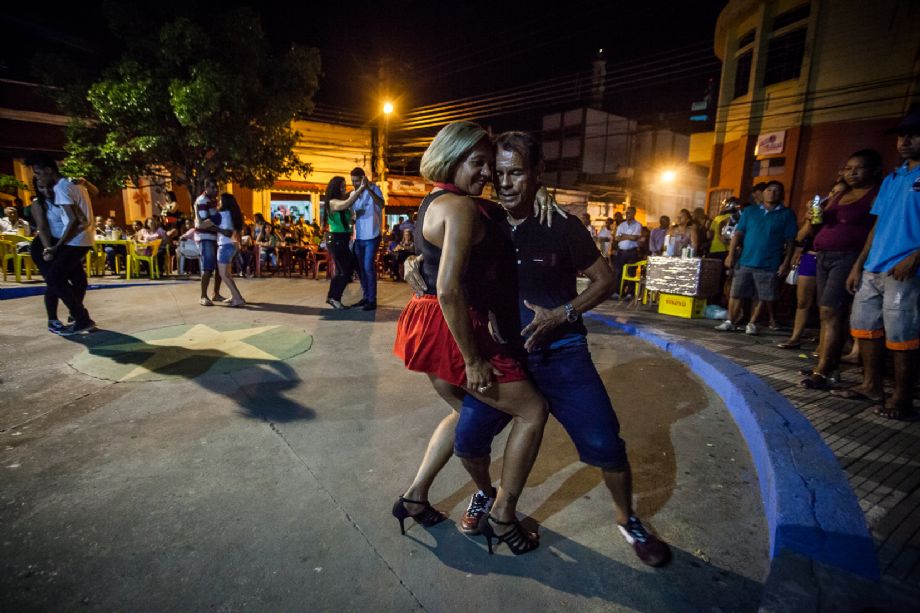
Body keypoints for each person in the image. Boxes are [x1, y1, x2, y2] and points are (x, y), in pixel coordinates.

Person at [434, 130, 671, 566]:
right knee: (468, 440)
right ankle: (487, 496)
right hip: (505, 357)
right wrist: (416, 263)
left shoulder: (562, 225)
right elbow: (438, 243)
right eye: (499, 174)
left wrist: (564, 313)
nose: (504, 183)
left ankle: (628, 519)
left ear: (537, 175)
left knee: (605, 443)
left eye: (516, 174)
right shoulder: (483, 219)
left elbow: (605, 279)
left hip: (562, 354)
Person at [392, 121, 548, 556]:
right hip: (452, 328)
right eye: (477, 163)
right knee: (533, 411)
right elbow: (447, 288)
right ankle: (501, 516)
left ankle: (415, 496)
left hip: (426, 325)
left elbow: (432, 257)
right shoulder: (460, 208)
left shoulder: (436, 200)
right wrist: (473, 358)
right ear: (452, 159)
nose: (488, 174)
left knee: (466, 414)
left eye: (490, 165)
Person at [840, 113, 920, 419]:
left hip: (905, 270)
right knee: (865, 329)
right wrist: (859, 264)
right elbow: (878, 225)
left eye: (913, 135)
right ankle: (871, 385)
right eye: (901, 136)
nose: (905, 141)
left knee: (902, 334)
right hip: (873, 267)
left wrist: (914, 257)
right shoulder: (893, 178)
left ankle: (902, 398)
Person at [793, 152, 883, 390]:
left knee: (830, 311)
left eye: (859, 168)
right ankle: (827, 364)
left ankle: (823, 369)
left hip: (848, 256)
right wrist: (813, 217)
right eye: (848, 167)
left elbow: (875, 231)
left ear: (873, 170)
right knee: (828, 313)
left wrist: (858, 264)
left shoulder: (875, 195)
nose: (852, 172)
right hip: (823, 255)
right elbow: (814, 228)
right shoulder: (839, 195)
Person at [27, 155, 96, 335]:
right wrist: (49, 249)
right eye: (40, 185)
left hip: (64, 243)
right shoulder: (39, 203)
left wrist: (85, 183)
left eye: (40, 175)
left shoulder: (62, 191)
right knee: (54, 280)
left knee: (79, 280)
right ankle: (55, 319)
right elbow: (42, 228)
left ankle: (77, 315)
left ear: (50, 172)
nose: (44, 186)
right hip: (46, 244)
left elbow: (77, 218)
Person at [716, 181, 797, 335]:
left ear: (781, 194)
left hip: (769, 263)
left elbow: (790, 241)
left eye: (776, 191)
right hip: (746, 259)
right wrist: (731, 254)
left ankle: (752, 323)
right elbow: (738, 234)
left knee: (761, 295)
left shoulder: (787, 214)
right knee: (736, 292)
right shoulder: (750, 211)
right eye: (769, 190)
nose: (772, 193)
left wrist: (785, 263)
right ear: (763, 192)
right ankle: (730, 321)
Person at [778, 181, 850, 352]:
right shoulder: (821, 210)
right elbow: (801, 236)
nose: (834, 196)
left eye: (839, 193)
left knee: (826, 305)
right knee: (803, 301)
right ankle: (795, 337)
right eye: (832, 191)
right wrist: (811, 220)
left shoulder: (845, 214)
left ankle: (823, 346)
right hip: (811, 257)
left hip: (835, 260)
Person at [348, 167, 385, 310]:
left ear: (363, 178)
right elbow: (351, 217)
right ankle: (365, 297)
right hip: (359, 237)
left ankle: (372, 300)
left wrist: (368, 188)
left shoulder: (375, 189)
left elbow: (381, 205)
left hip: (372, 235)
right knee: (360, 268)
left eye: (357, 181)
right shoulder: (353, 193)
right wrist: (354, 215)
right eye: (353, 181)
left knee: (368, 266)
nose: (355, 184)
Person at [322, 176, 362, 310]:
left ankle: (333, 297)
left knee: (343, 270)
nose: (343, 188)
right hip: (335, 239)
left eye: (344, 186)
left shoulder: (339, 201)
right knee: (345, 270)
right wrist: (360, 188)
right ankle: (334, 298)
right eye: (341, 186)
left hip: (342, 239)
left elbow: (349, 215)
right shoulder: (333, 202)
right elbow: (347, 203)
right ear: (335, 188)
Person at [193, 178, 224, 306]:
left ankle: (215, 294)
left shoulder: (213, 201)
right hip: (205, 237)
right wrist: (222, 230)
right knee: (208, 267)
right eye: (212, 187)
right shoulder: (202, 201)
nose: (215, 190)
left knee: (219, 267)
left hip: (214, 237)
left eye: (216, 187)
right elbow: (204, 224)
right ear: (206, 188)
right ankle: (203, 296)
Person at [213, 193, 246, 307]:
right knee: (228, 274)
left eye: (220, 200)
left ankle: (238, 297)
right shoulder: (233, 214)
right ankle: (235, 295)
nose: (218, 202)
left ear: (224, 202)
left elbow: (207, 223)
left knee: (223, 274)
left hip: (224, 246)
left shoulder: (220, 214)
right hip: (232, 245)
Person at [612, 206, 643, 299]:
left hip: (631, 252)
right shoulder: (622, 225)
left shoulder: (638, 225)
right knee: (618, 272)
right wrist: (629, 236)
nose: (627, 214)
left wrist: (623, 235)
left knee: (631, 272)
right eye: (626, 213)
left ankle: (630, 293)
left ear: (634, 213)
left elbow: (635, 238)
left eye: (629, 212)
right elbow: (616, 238)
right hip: (621, 252)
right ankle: (617, 292)